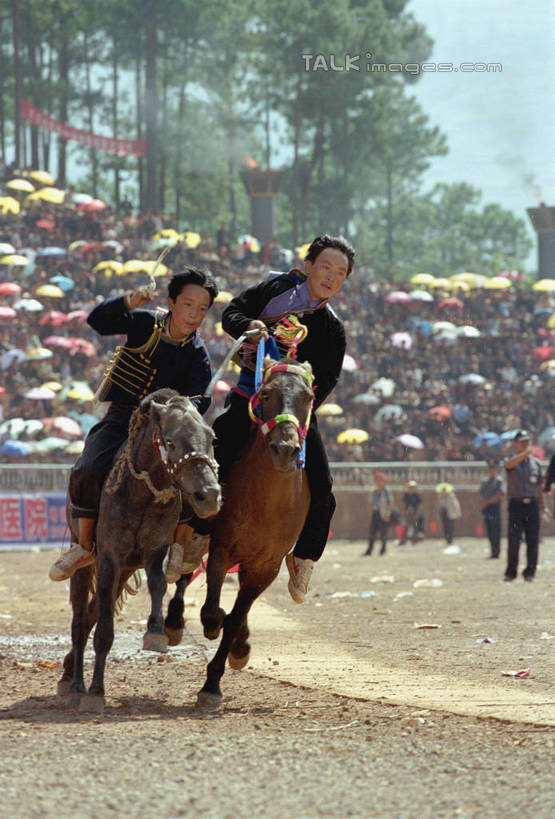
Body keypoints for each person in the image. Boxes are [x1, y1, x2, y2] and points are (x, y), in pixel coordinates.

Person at [185, 234, 355, 603]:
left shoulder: (332, 329)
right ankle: (196, 533)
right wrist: (250, 325)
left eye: (340, 272)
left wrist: (295, 413)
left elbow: (324, 384)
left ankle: (304, 558)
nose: (331, 276)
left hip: (294, 417)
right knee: (212, 454)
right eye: (325, 266)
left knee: (323, 489)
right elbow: (231, 313)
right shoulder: (276, 288)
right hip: (249, 398)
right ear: (309, 266)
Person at [48, 266, 218, 581]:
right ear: (171, 302)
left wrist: (179, 414)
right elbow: (97, 321)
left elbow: (201, 399)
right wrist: (129, 301)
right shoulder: (144, 323)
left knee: (197, 475)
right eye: (188, 304)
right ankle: (84, 545)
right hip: (121, 418)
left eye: (202, 308)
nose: (194, 314)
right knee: (88, 467)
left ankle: (178, 547)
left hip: (168, 431)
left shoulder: (198, 354)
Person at [503, 430, 545, 582]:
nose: (525, 444)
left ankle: (530, 572)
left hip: (532, 504)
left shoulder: (536, 463)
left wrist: (543, 505)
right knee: (514, 540)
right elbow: (508, 465)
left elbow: (539, 486)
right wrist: (524, 454)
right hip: (516, 504)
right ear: (515, 444)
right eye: (522, 442)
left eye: (527, 441)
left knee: (533, 540)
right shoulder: (512, 459)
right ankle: (511, 572)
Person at [364, 471, 394, 555]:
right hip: (375, 513)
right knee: (372, 532)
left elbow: (390, 502)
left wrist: (388, 514)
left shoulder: (386, 491)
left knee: (383, 533)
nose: (377, 482)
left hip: (383, 513)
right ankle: (370, 549)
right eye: (376, 480)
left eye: (379, 480)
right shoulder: (374, 491)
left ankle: (383, 549)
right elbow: (370, 503)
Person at [479, 461, 504, 559]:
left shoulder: (499, 481)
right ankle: (493, 551)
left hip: (495, 508)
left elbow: (499, 494)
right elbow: (481, 493)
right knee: (489, 530)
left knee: (496, 530)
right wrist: (483, 503)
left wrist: (487, 502)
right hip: (487, 508)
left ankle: (497, 551)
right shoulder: (485, 482)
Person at [399, 479, 423, 545]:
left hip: (415, 513)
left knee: (415, 526)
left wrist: (417, 513)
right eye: (410, 487)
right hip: (408, 513)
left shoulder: (417, 495)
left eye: (412, 487)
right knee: (405, 527)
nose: (411, 488)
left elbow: (419, 505)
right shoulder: (406, 495)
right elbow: (403, 505)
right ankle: (403, 540)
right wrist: (404, 512)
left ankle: (415, 540)